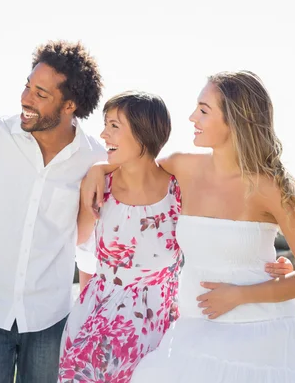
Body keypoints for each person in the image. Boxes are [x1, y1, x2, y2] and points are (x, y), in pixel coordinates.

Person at [84, 71, 295, 382]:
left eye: (203, 110)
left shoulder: (270, 187)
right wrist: (98, 168)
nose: (191, 117)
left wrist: (240, 295)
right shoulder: (182, 165)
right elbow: (136, 163)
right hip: (194, 327)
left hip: (260, 337)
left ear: (235, 120)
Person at [0, 40, 107, 383]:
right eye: (27, 86)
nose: (26, 98)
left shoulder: (94, 158)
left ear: (69, 105)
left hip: (50, 318)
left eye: (40, 93)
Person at [58, 91, 183, 381]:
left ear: (143, 132)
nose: (103, 134)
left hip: (158, 332)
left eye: (114, 125)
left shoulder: (179, 191)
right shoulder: (100, 187)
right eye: (105, 124)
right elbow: (79, 248)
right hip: (95, 327)